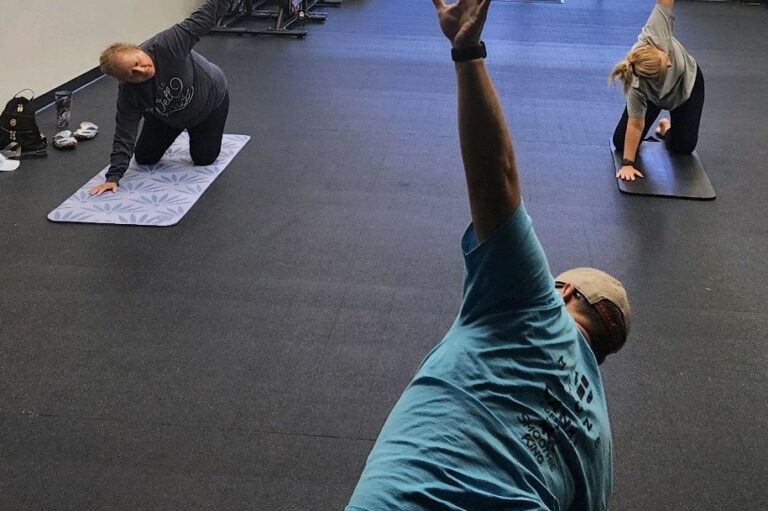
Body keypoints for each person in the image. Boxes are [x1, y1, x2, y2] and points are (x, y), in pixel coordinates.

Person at [345, 1, 631, 510]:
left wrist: (468, 52)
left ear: (564, 290)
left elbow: (495, 178)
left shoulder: (536, 308)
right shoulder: (601, 449)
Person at [89, 0, 230, 196]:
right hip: (168, 115)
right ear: (124, 81)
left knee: (203, 158)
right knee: (144, 157)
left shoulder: (168, 45)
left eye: (138, 62)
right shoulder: (129, 93)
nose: (141, 70)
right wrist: (113, 177)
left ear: (139, 50)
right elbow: (125, 132)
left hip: (210, 102)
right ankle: (177, 127)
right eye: (132, 73)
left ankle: (194, 130)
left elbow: (207, 15)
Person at [611, 0, 704, 181]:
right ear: (651, 78)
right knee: (621, 143)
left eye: (665, 58)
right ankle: (663, 123)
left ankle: (666, 128)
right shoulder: (638, 87)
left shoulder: (655, 32)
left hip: (687, 87)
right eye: (665, 67)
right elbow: (635, 124)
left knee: (683, 147)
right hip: (654, 98)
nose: (670, 62)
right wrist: (628, 164)